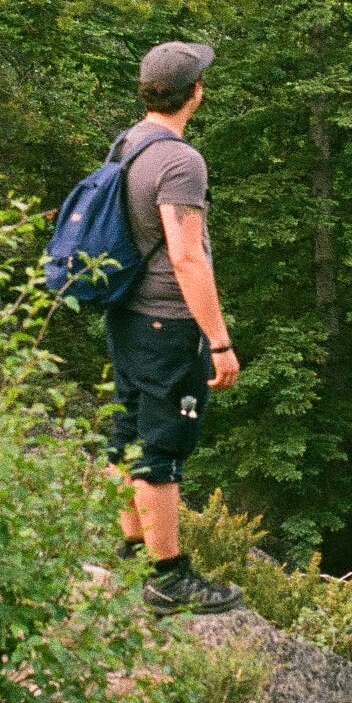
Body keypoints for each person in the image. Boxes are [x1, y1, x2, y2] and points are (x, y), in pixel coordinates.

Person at [106, 41, 244, 615]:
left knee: (128, 432)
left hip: (129, 313)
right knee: (161, 445)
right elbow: (188, 257)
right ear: (195, 93)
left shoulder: (129, 142)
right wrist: (219, 340)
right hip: (169, 320)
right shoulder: (182, 161)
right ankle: (168, 577)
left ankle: (133, 550)